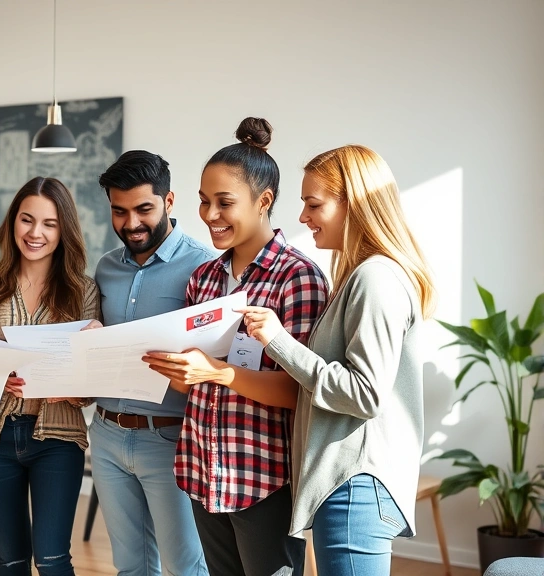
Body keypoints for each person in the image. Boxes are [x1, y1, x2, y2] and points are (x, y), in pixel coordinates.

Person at [142, 117, 329, 576]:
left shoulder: (298, 278)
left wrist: (216, 372)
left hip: (264, 479)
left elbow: (300, 390)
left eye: (224, 203)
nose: (209, 215)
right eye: (204, 202)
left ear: (264, 201)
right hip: (203, 472)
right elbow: (196, 386)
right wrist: (180, 372)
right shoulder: (204, 278)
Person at [238, 144, 435, 575]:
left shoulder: (376, 278)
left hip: (355, 487)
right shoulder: (360, 276)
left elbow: (364, 395)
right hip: (352, 486)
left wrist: (278, 341)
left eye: (314, 204)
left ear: (357, 203)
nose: (303, 217)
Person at [0, 176, 100, 576]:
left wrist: (75, 379)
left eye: (49, 224)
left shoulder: (82, 290)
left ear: (63, 229)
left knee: (52, 560)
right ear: (12, 223)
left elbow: (91, 390)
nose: (35, 233)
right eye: (26, 220)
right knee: (11, 560)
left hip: (58, 440)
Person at [90, 151, 215, 576]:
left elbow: (214, 360)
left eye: (144, 209)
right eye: (119, 212)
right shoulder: (105, 268)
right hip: (106, 434)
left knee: (185, 567)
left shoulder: (204, 267)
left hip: (170, 440)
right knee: (130, 566)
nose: (131, 224)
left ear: (169, 201)